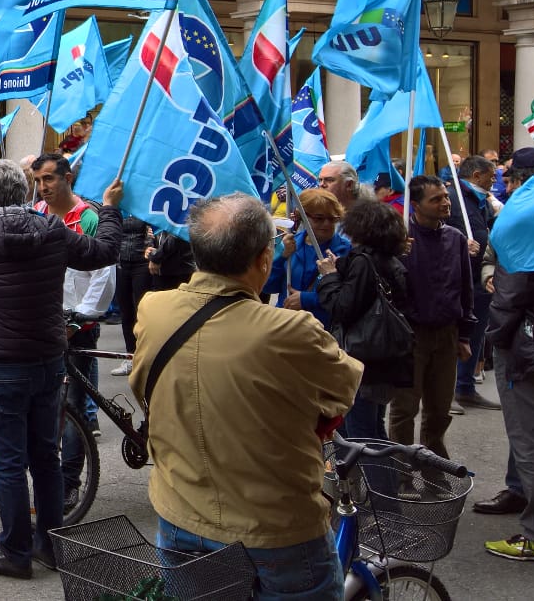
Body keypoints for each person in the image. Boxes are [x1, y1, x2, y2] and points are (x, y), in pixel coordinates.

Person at [133, 193, 363, 600]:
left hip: (181, 512)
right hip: (276, 528)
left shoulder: (154, 309)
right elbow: (342, 392)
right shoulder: (292, 330)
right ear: (263, 260)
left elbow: (141, 386)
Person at [0, 159, 122, 578]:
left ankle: (15, 552)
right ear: (25, 190)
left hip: (1, 361)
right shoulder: (52, 229)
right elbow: (103, 252)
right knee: (45, 455)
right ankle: (50, 545)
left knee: (8, 460)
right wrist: (111, 210)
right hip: (46, 357)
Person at [484, 149, 534, 563]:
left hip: (532, 345)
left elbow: (511, 295)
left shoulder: (527, 219)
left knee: (532, 440)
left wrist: (496, 337)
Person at [389, 175, 476, 460]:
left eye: (445, 197)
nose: (445, 203)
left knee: (439, 409)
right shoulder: (399, 240)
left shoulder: (456, 238)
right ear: (415, 205)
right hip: (409, 335)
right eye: (435, 199)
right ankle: (401, 470)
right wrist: (397, 254)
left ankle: (433, 465)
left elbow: (465, 288)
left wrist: (464, 335)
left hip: (447, 334)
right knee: (404, 408)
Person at [314, 200, 414, 440]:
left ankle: (376, 468)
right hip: (383, 357)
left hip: (363, 356)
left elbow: (342, 307)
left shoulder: (363, 262)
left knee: (362, 436)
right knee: (374, 428)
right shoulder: (389, 260)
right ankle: (386, 466)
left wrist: (329, 277)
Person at [29, 154, 112, 432]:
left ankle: (79, 442)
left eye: (48, 179)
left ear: (67, 178)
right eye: (38, 180)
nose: (42, 187)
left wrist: (78, 320)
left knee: (74, 400)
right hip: (43, 322)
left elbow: (102, 275)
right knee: (44, 395)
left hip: (78, 324)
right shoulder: (36, 213)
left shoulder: (88, 218)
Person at [451, 155, 501, 412]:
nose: (494, 181)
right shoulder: (454, 198)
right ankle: (446, 392)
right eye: (491, 176)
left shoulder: (480, 200)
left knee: (476, 333)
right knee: (453, 335)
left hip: (479, 277)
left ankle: (465, 387)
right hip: (459, 277)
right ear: (476, 175)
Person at [265, 188, 352, 322]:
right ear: (303, 216)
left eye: (332, 218)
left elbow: (349, 297)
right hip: (285, 323)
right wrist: (282, 256)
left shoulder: (345, 250)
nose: (327, 224)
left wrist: (306, 299)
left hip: (321, 328)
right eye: (319, 218)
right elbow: (268, 286)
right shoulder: (290, 243)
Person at [109, 216, 150, 376]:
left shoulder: (144, 208)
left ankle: (146, 358)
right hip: (121, 263)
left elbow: (153, 232)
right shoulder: (119, 209)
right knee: (126, 313)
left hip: (142, 262)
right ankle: (130, 357)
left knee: (143, 312)